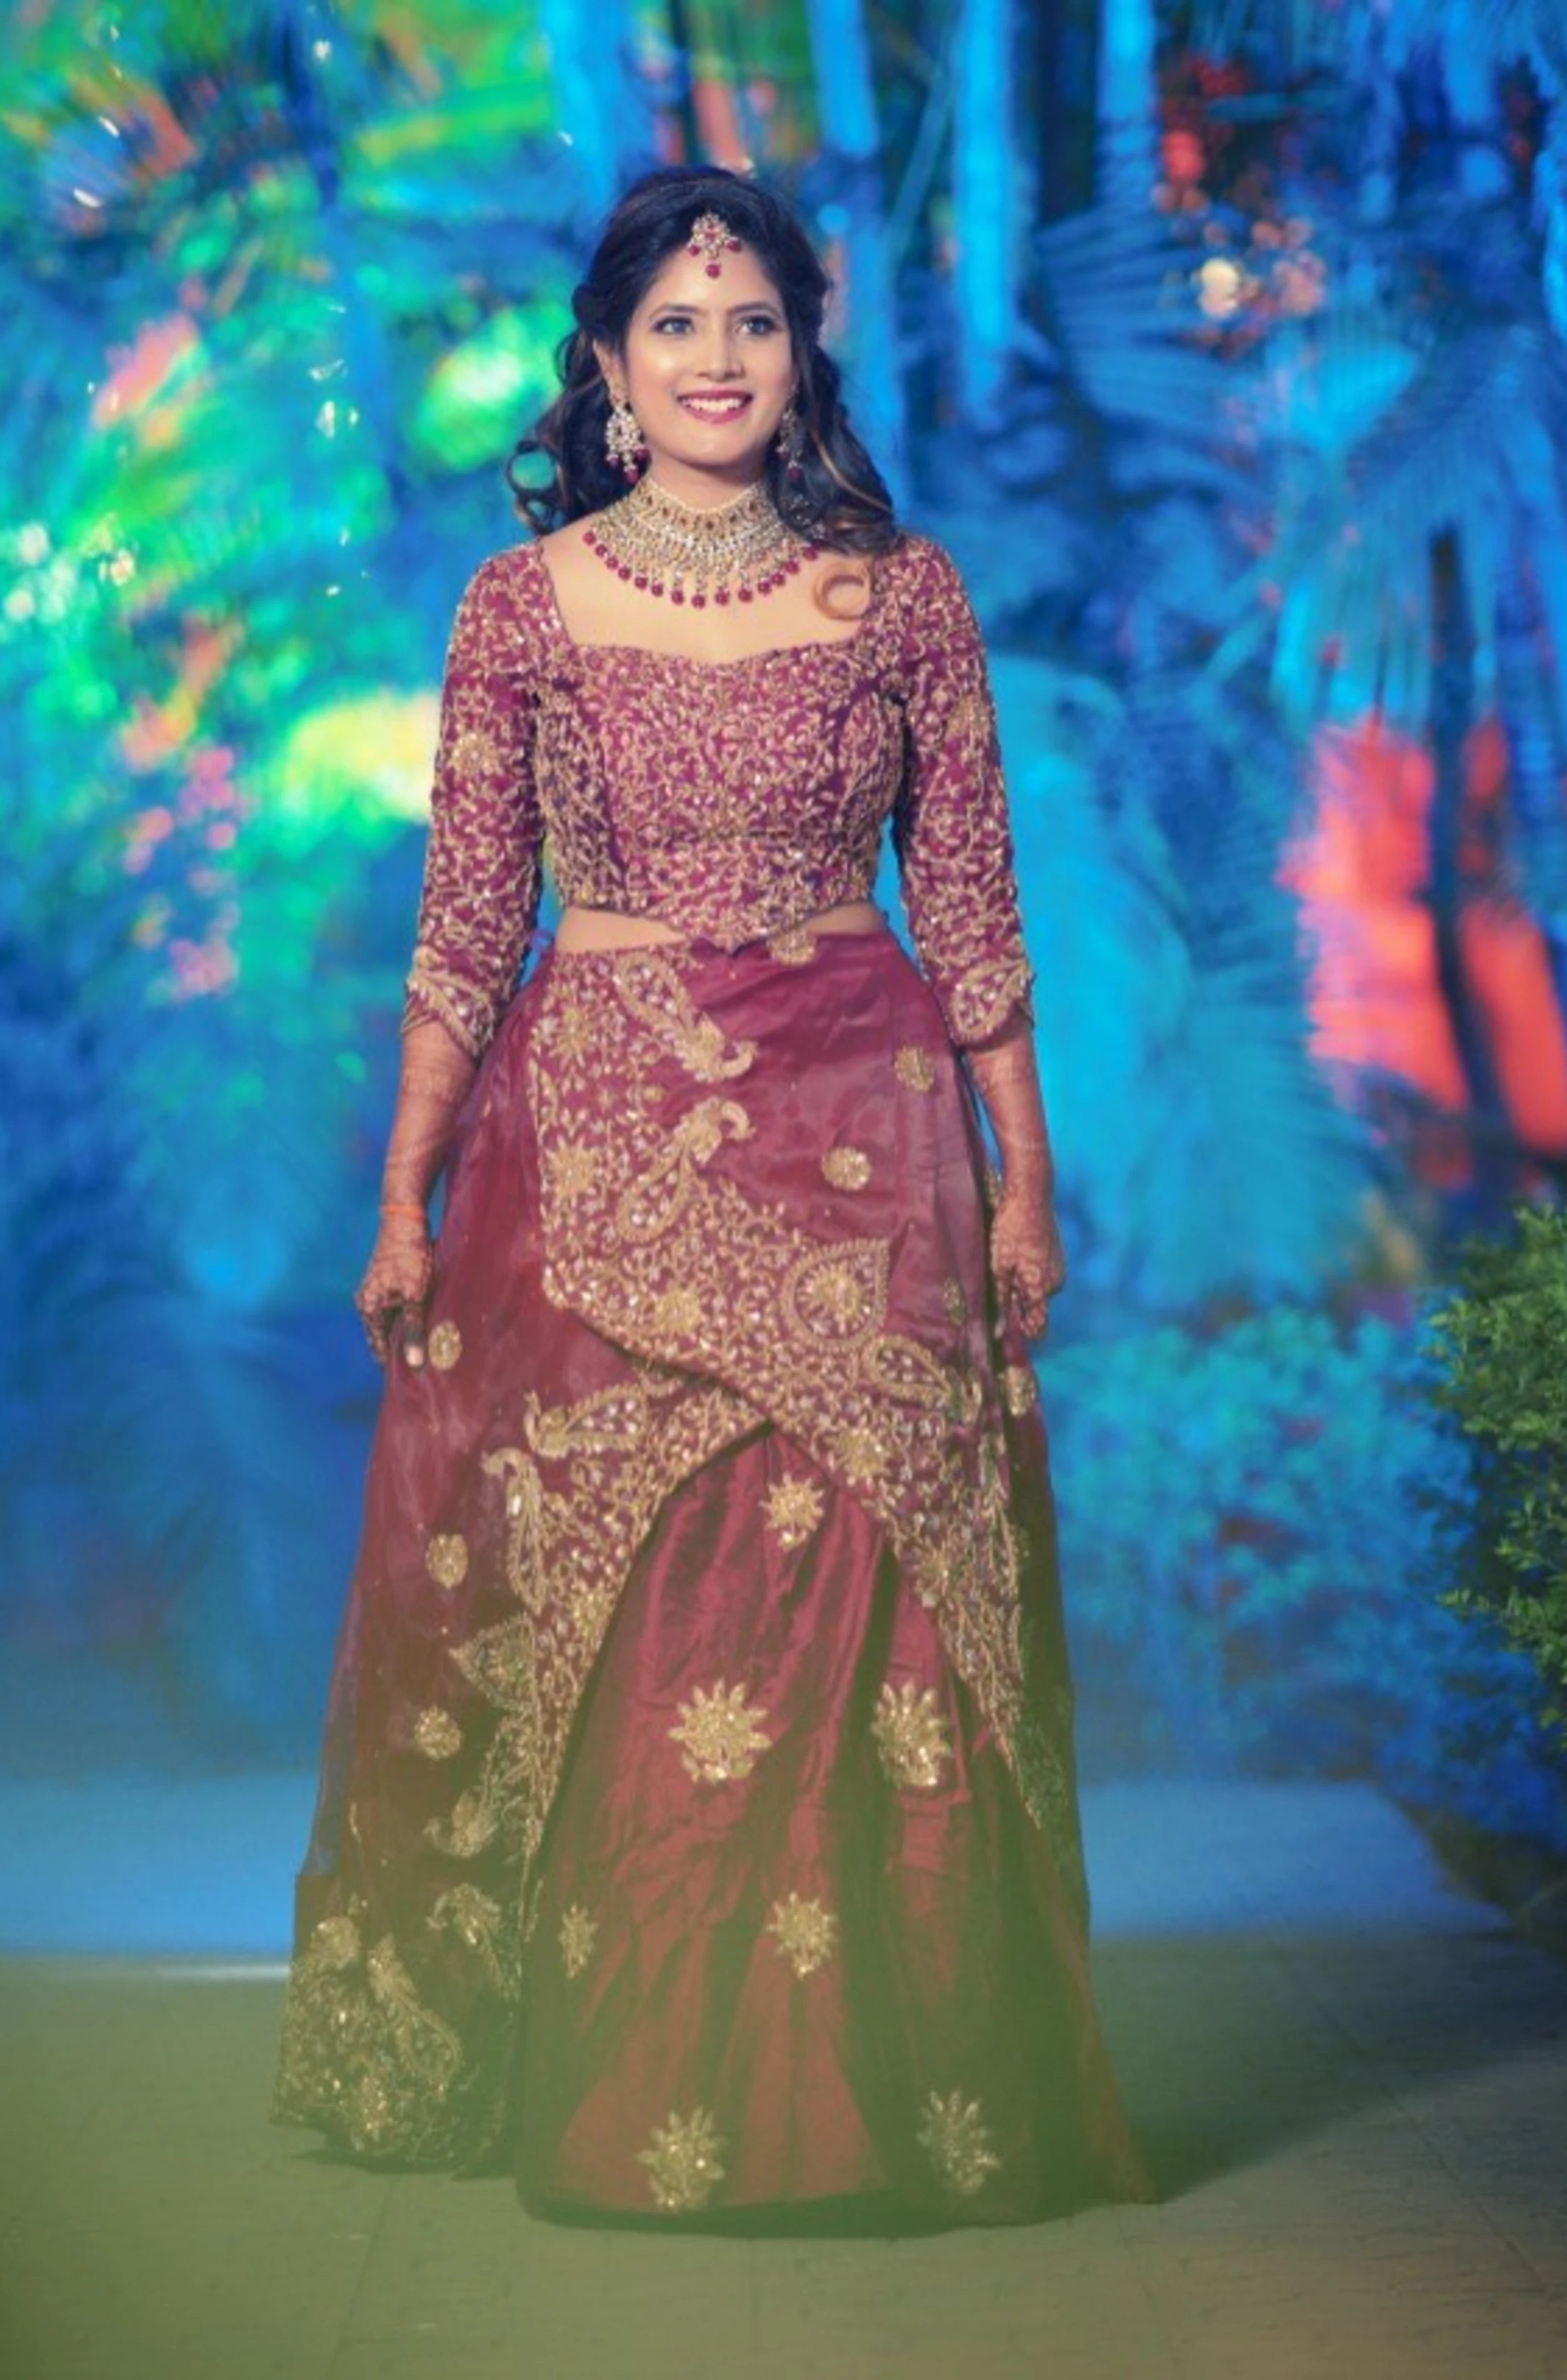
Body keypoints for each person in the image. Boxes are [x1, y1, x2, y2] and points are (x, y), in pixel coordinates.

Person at [269, 162, 1154, 2229]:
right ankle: (636, 2082)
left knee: (863, 1601)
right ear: (604, 362)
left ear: (802, 349)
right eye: (676, 322)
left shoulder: (905, 596)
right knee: (640, 1598)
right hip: (596, 1146)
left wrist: (1032, 1181)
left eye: (751, 319)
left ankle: (890, 2100)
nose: (717, 357)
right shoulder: (521, 606)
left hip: (871, 1137)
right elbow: (465, 931)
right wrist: (402, 1193)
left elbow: (981, 919)